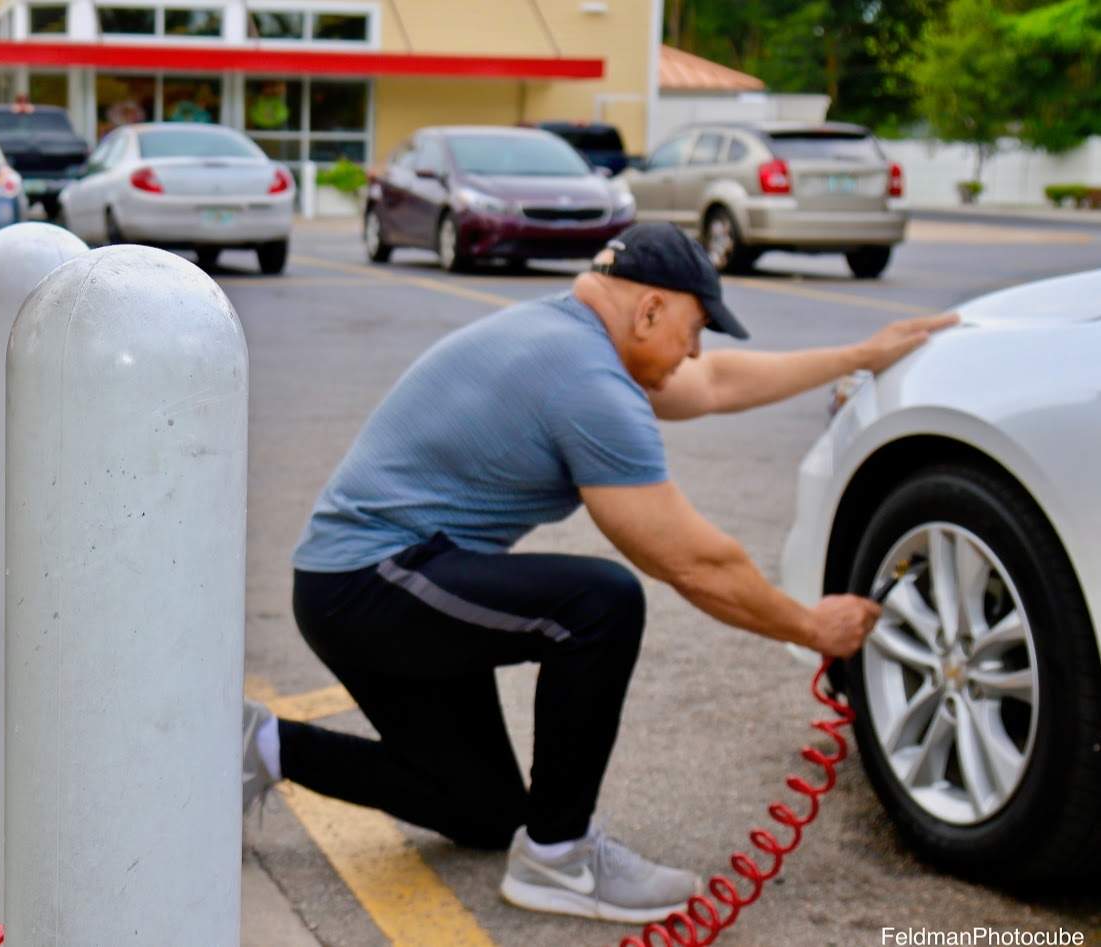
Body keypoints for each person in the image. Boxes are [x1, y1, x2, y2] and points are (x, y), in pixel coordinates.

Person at [239, 222, 959, 925]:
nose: (692, 350)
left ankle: (260, 743)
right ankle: (559, 854)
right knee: (599, 603)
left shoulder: (568, 338)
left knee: (483, 810)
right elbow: (690, 560)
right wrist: (808, 624)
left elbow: (714, 382)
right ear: (649, 308)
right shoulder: (587, 380)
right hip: (373, 583)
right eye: (693, 326)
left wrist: (860, 354)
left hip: (375, 584)